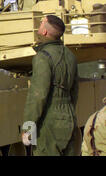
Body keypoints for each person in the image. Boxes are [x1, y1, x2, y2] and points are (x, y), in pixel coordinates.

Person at [22, 15, 79, 156]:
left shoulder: (42, 57)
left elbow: (38, 96)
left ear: (45, 32)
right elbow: (74, 91)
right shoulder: (70, 56)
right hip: (69, 118)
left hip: (48, 122)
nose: (39, 25)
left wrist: (28, 127)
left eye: (41, 23)